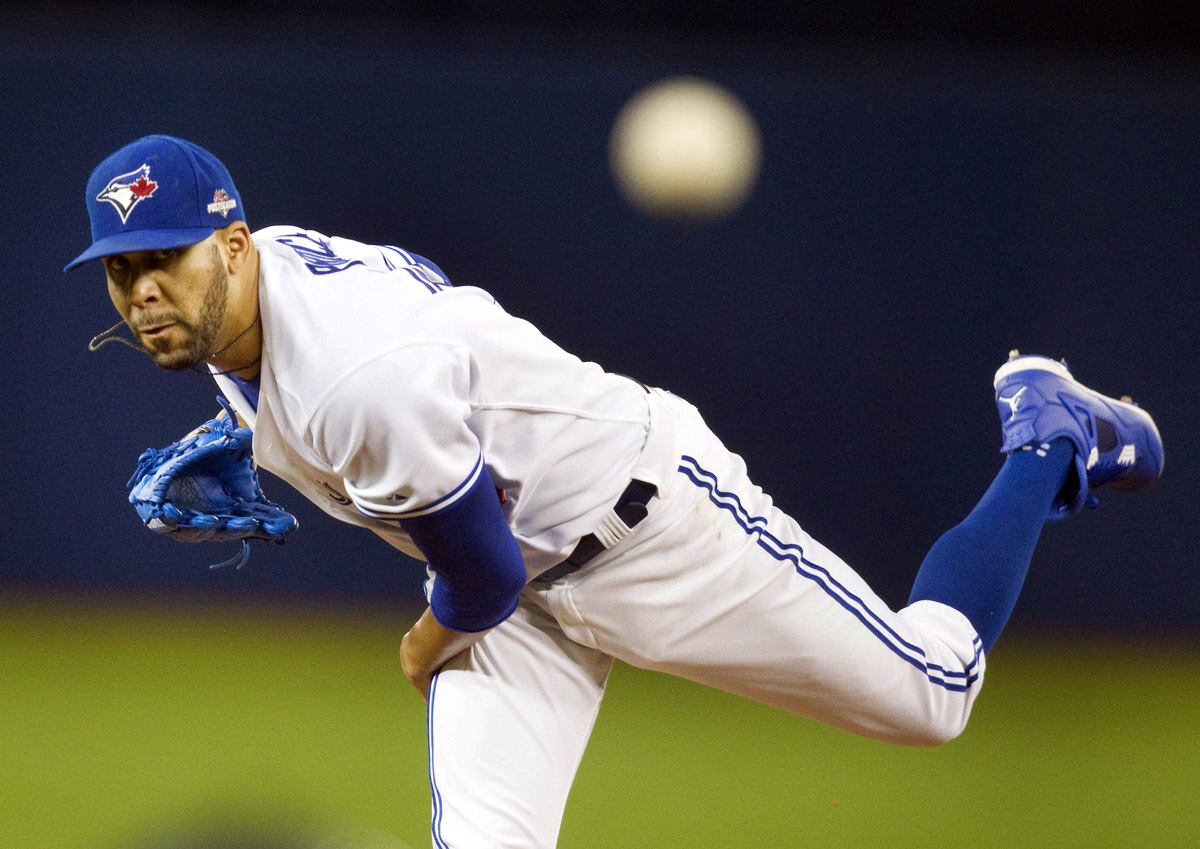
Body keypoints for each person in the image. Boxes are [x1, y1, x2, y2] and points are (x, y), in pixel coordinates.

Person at [67, 135, 1163, 849]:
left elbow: (480, 572)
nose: (146, 289)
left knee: (934, 694)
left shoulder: (359, 375)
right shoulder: (255, 299)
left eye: (168, 256)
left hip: (644, 531)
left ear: (234, 243)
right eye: (123, 268)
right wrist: (258, 431)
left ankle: (1048, 434)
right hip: (517, 580)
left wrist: (418, 646)